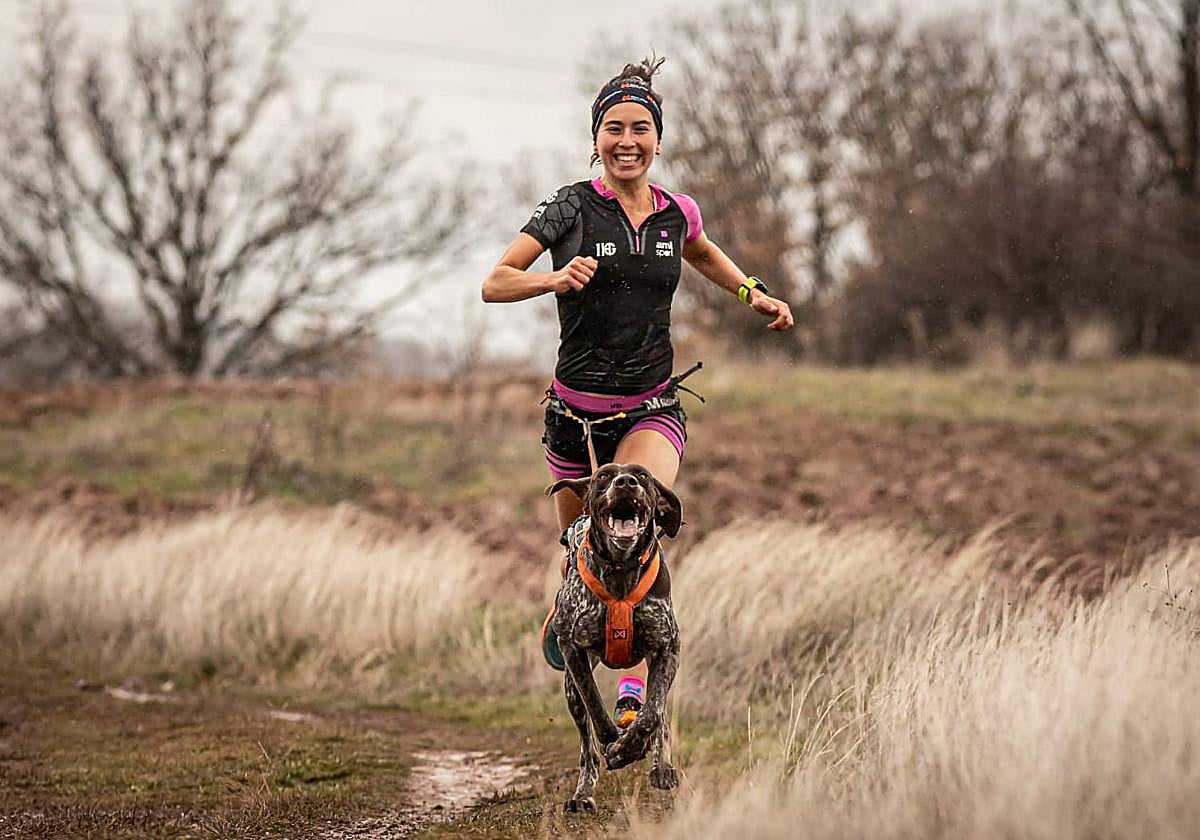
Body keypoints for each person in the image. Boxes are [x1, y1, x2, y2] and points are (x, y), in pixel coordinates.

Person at [481, 56, 794, 727]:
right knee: (585, 552)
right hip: (572, 418)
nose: (628, 140)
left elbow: (702, 250)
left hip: (651, 404)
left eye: (641, 128)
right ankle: (574, 617)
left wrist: (751, 292)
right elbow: (495, 281)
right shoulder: (568, 208)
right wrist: (552, 279)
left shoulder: (676, 212)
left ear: (658, 139)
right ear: (596, 138)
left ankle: (633, 697)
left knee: (638, 523)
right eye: (614, 128)